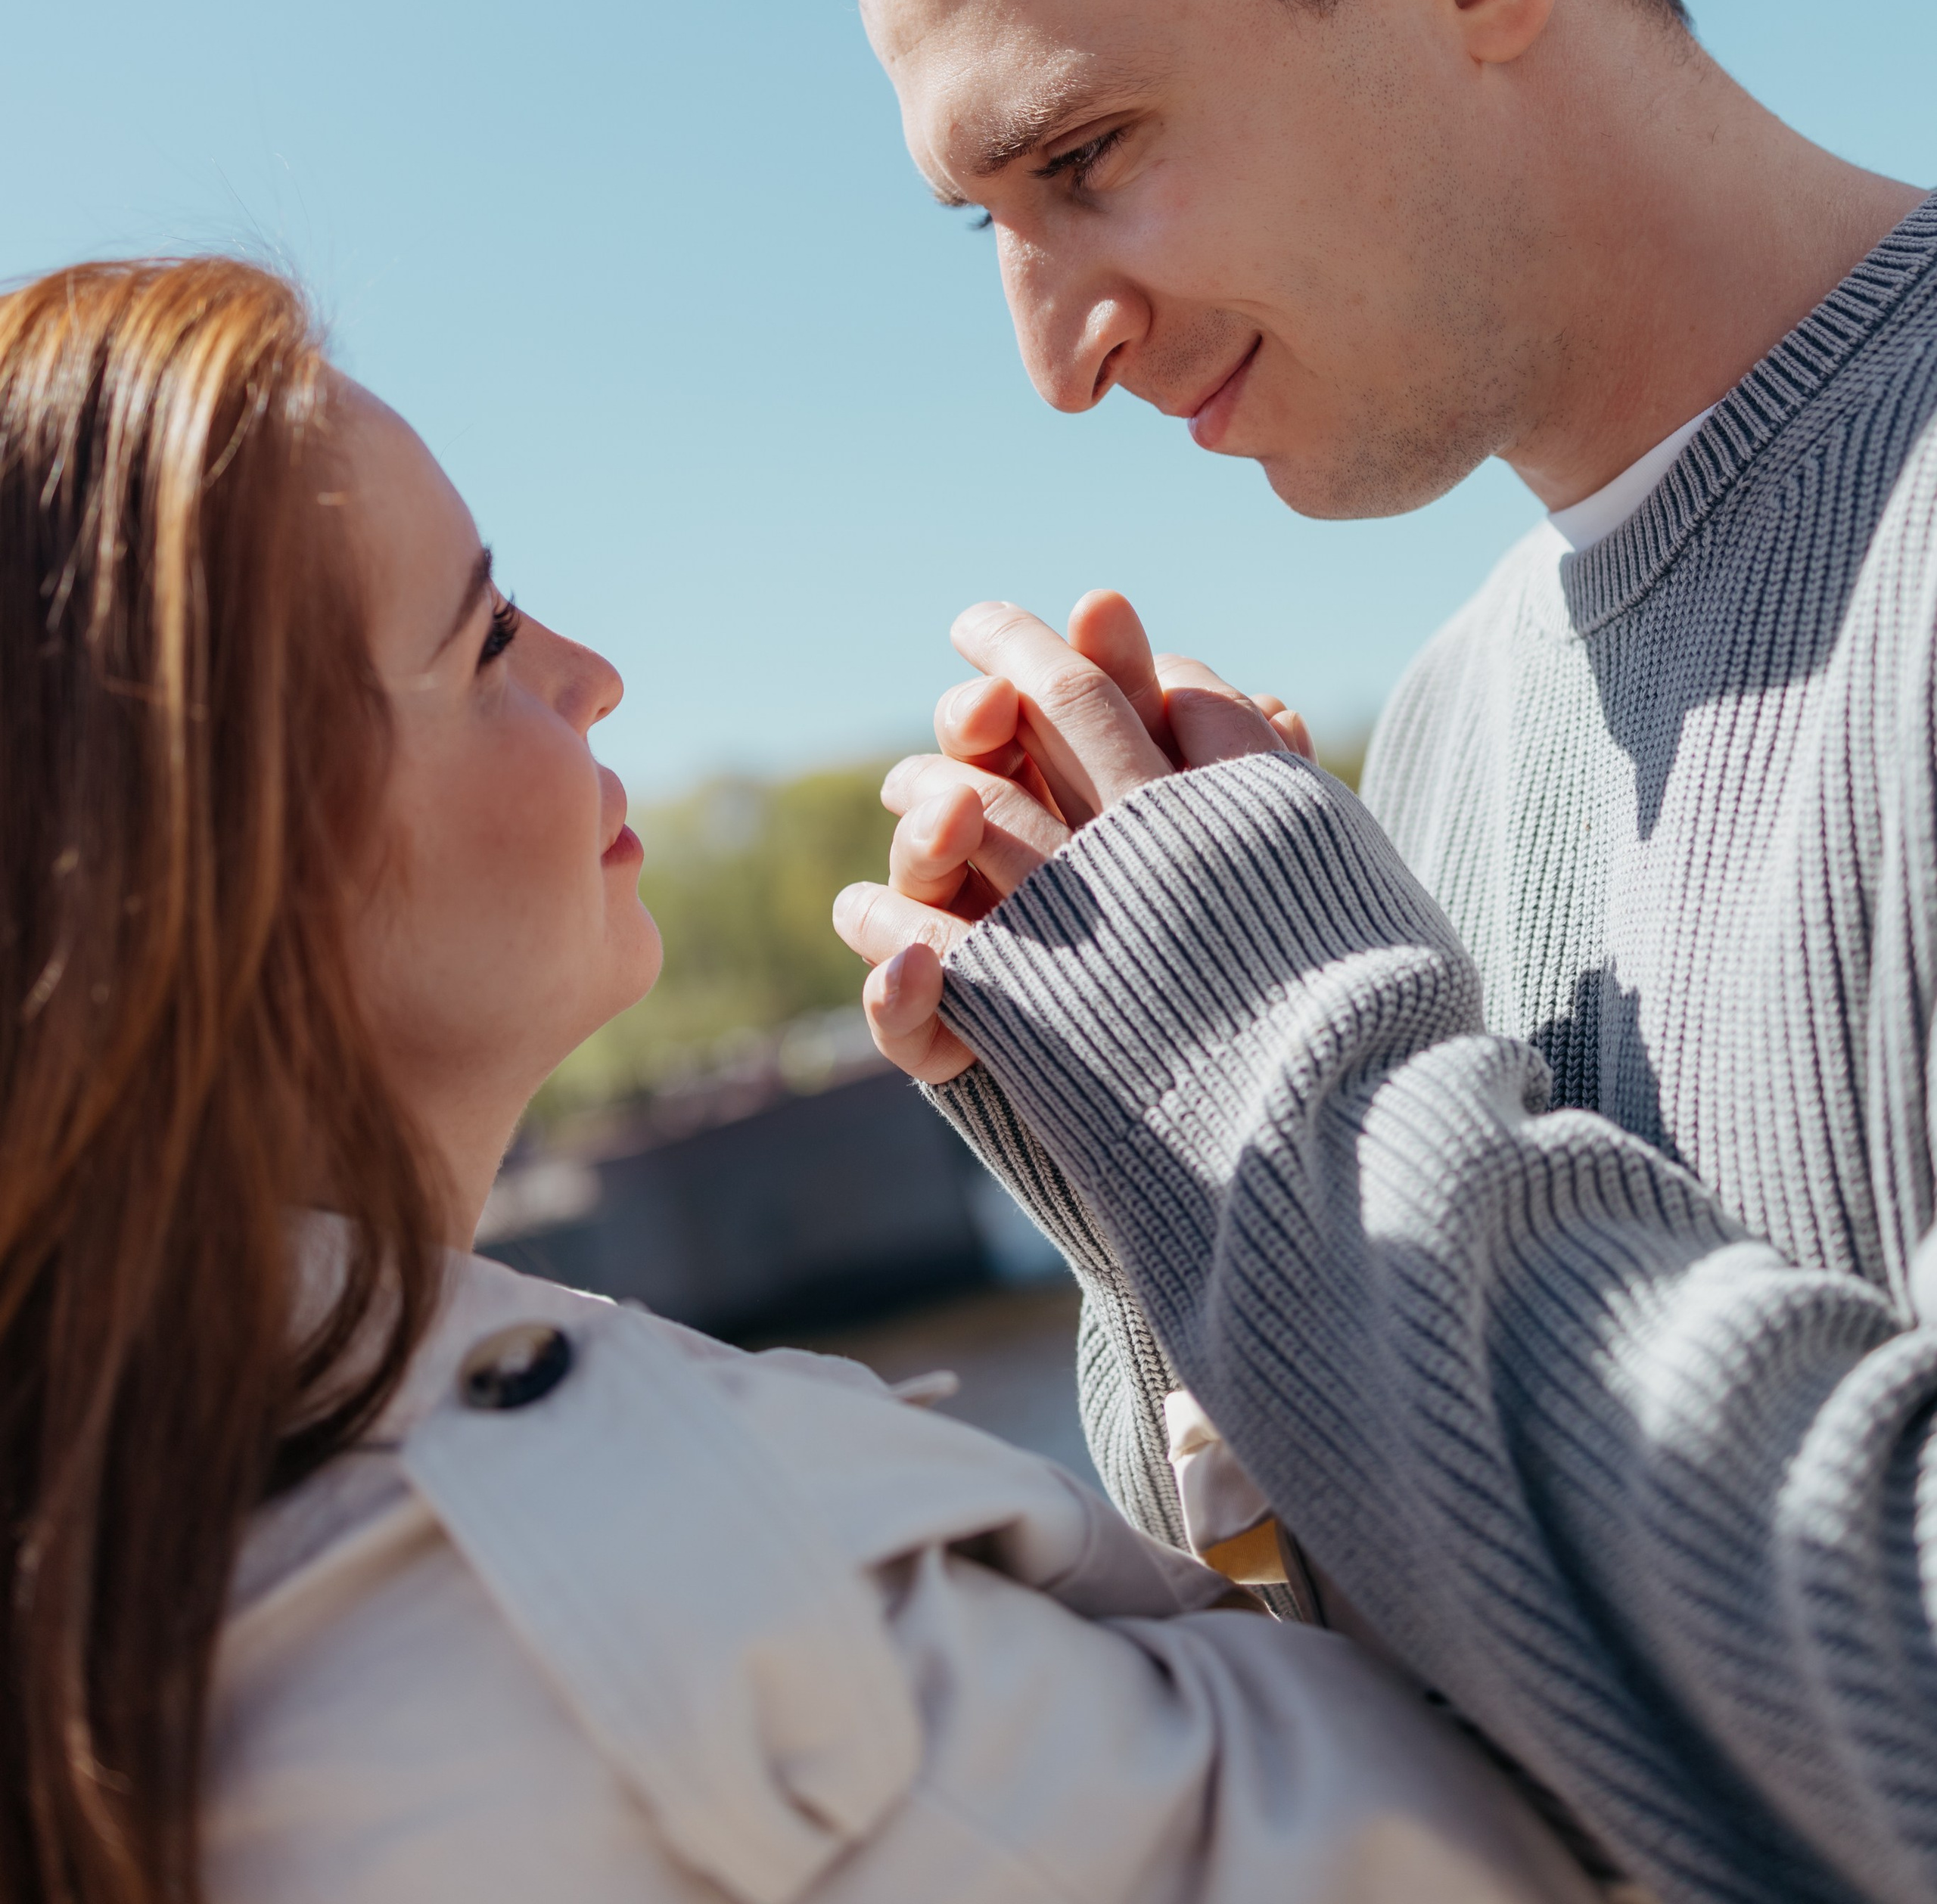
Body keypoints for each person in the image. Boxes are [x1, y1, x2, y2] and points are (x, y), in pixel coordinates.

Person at [737, 0, 1937, 1904]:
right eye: (980, 218)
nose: (1050, 348)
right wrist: (1165, 1197)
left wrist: (1277, 1065)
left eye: (1081, 158)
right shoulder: (1463, 730)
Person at [0, 255, 1591, 1904]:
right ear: (235, 859)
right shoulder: (617, 1605)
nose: (588, 671)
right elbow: (1560, 1824)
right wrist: (1262, 1030)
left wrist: (1152, 1189)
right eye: (485, 638)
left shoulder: (174, 1572)